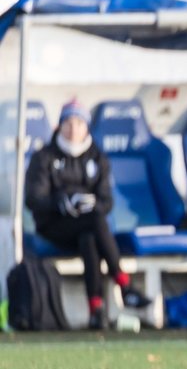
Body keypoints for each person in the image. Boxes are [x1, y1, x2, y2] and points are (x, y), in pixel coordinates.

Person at [24, 100, 153, 330]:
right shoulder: (44, 157)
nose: (73, 129)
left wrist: (90, 203)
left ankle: (96, 310)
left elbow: (107, 201)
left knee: (90, 237)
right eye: (68, 122)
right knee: (95, 221)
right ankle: (123, 284)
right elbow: (33, 199)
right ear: (60, 125)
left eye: (79, 123)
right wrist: (60, 203)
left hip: (87, 226)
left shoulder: (97, 157)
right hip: (54, 226)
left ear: (87, 127)